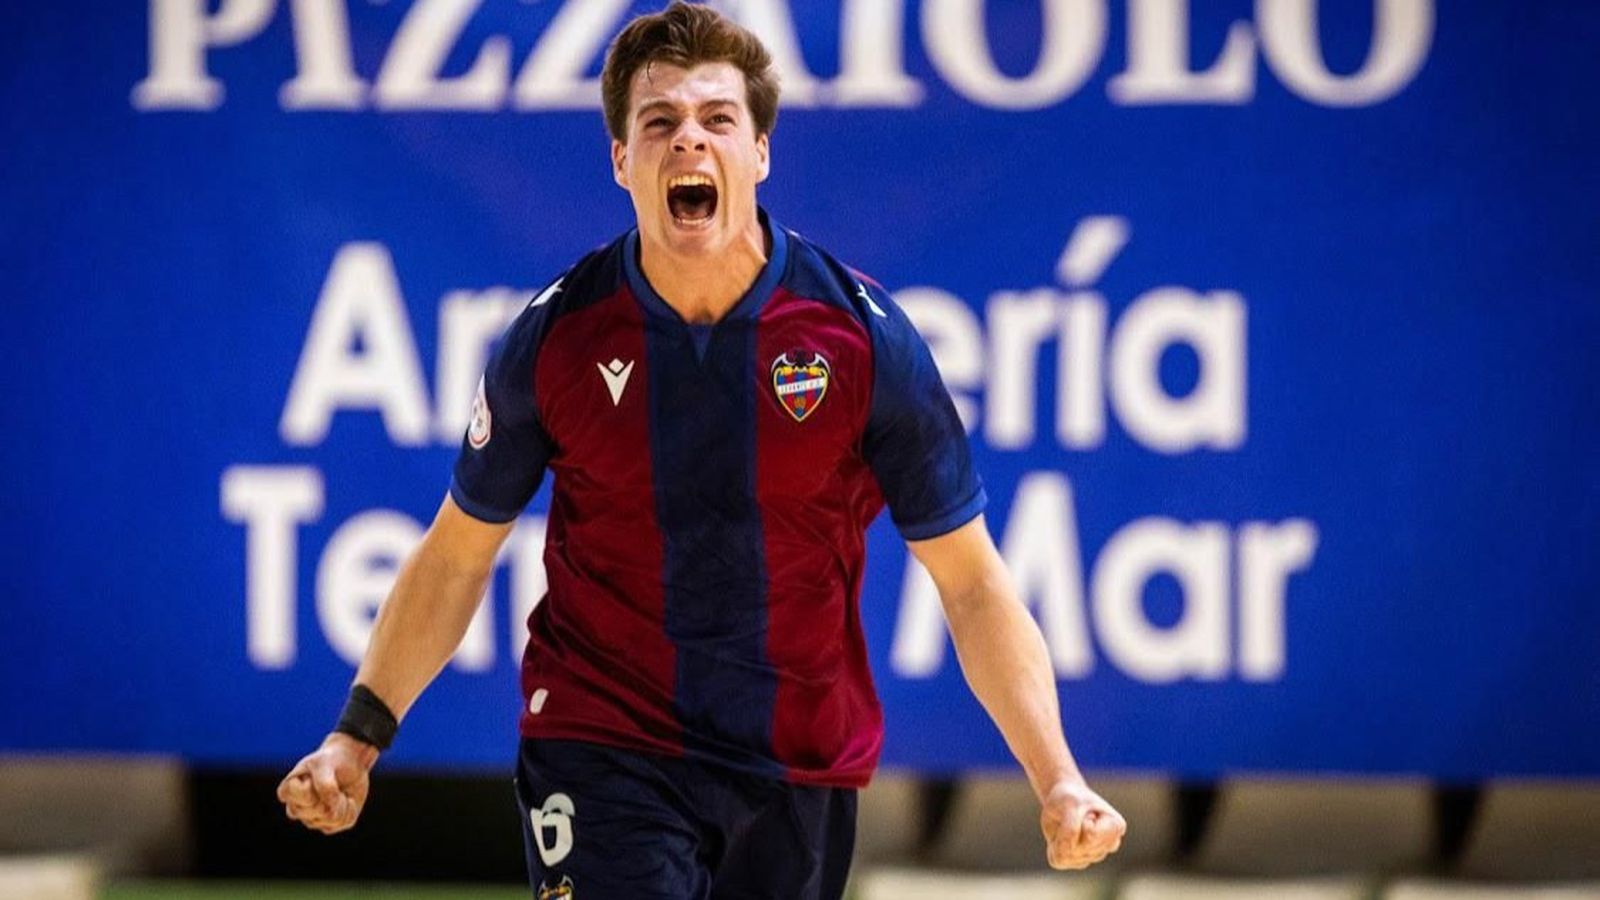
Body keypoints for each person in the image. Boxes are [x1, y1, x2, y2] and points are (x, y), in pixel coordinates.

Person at [277, 2, 1125, 896]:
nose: (690, 142)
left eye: (718, 120)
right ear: (621, 161)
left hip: (797, 763)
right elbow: (454, 557)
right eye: (660, 124)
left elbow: (973, 583)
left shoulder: (860, 341)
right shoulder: (558, 338)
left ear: (759, 154)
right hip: (602, 742)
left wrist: (1056, 776)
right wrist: (357, 735)